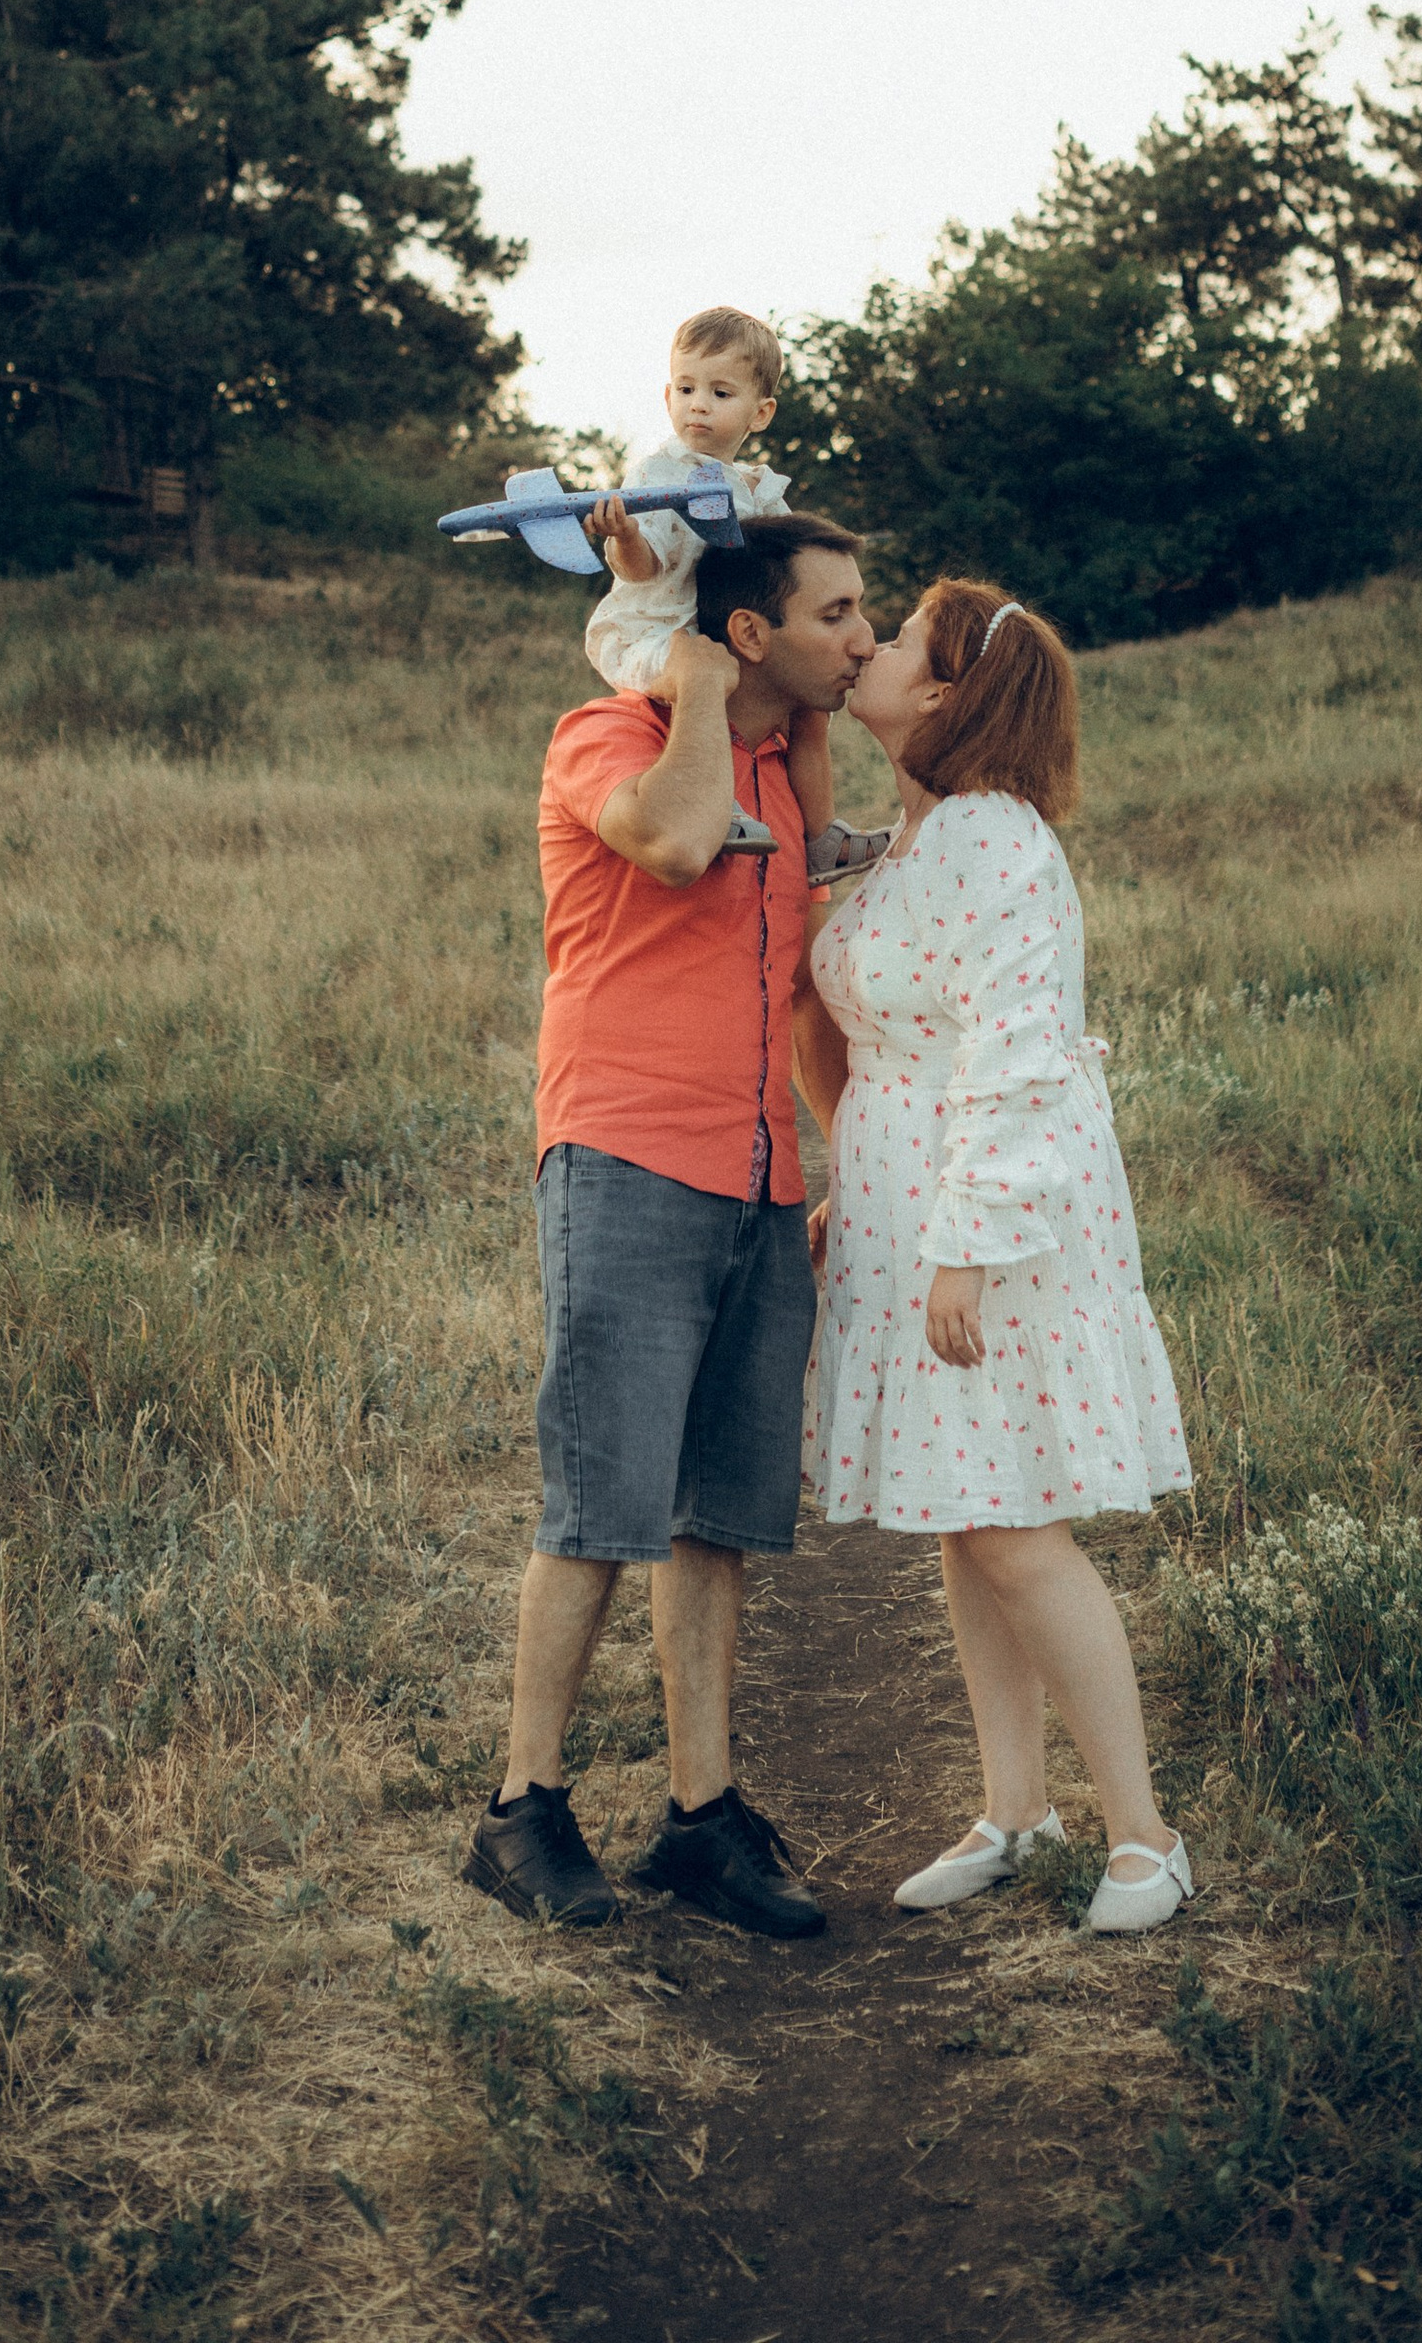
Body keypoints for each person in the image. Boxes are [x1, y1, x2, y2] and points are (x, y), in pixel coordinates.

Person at [465, 512, 876, 1938]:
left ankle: (701, 1820)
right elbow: (679, 841)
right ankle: (523, 1808)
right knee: (600, 1507)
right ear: (749, 632)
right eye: (836, 614)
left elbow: (820, 978)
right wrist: (695, 687)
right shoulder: (606, 738)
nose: (861, 640)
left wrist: (834, 1167)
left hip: (756, 1175)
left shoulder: (789, 769)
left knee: (717, 1519)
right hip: (627, 1159)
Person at [798, 578, 1196, 1934]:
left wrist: (962, 1246)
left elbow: (1016, 1060)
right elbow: (892, 1044)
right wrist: (859, 1190)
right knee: (970, 1524)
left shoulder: (993, 841)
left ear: (953, 695)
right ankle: (1016, 1812)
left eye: (902, 639)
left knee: (1017, 1528)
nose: (875, 648)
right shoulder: (917, 837)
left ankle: (1145, 1834)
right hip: (915, 1204)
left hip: (997, 1222)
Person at [582, 305, 888, 888]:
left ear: (761, 412)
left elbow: (786, 569)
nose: (698, 403)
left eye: (720, 393)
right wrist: (622, 533)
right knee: (704, 681)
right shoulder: (656, 474)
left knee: (811, 714)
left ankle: (820, 838)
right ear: (667, 394)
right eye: (686, 387)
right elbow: (642, 569)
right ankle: (717, 807)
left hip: (729, 630)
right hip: (656, 631)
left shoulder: (760, 492)